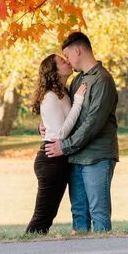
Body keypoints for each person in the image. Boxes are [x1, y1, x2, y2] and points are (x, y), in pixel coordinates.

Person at [45, 30, 119, 233]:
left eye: (67, 55)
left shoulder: (103, 80)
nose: (67, 61)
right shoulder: (77, 81)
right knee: (79, 213)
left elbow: (93, 123)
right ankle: (80, 252)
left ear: (77, 51)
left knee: (98, 213)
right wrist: (45, 124)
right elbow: (68, 114)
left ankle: (103, 252)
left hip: (97, 157)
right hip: (76, 157)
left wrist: (65, 146)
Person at [25, 53, 86, 235]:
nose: (67, 61)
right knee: (43, 216)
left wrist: (42, 125)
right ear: (54, 71)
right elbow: (60, 133)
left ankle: (33, 246)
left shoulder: (64, 92)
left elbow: (54, 121)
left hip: (61, 158)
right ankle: (26, 246)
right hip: (51, 158)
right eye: (62, 61)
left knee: (48, 215)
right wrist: (78, 102)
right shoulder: (50, 96)